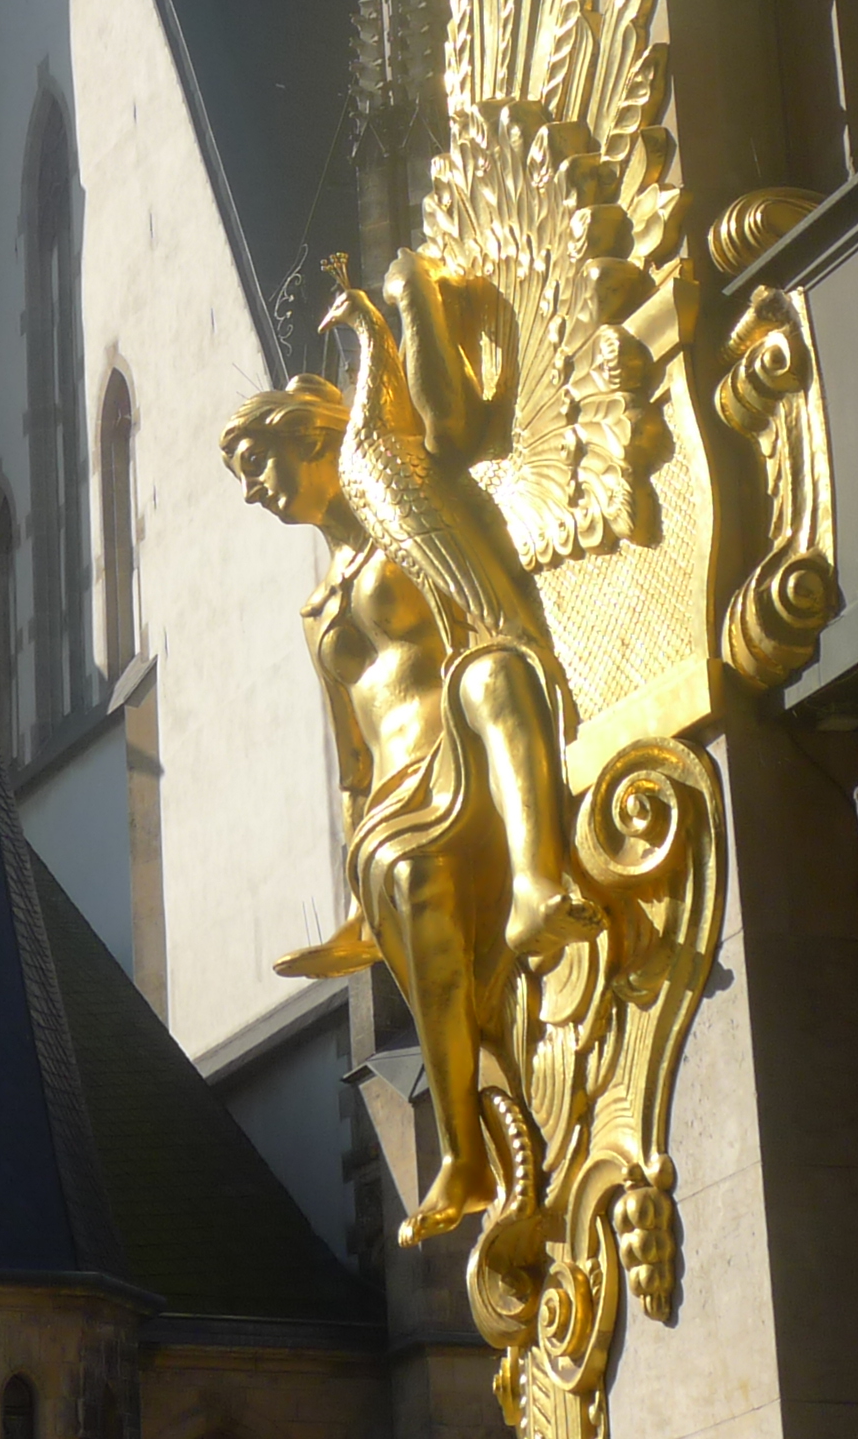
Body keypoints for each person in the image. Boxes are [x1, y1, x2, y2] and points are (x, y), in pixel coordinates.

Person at [222, 255, 589, 1241]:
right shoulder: (317, 609)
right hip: (389, 809)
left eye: (258, 464)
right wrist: (350, 899)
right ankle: (466, 1149)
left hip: (470, 743)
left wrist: (395, 310)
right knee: (409, 898)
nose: (254, 491)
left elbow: (448, 434)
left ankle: (538, 882)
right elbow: (350, 760)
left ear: (310, 436)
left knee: (488, 672)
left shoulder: (401, 498)